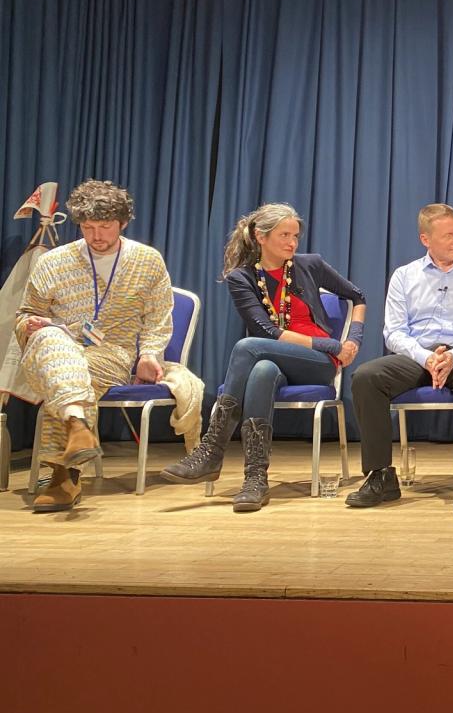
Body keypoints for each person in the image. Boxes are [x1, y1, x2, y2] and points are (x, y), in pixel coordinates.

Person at [162, 203, 366, 513]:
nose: (292, 243)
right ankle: (255, 478)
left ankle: (212, 450)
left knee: (247, 347)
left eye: (295, 236)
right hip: (279, 354)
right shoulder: (241, 278)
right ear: (261, 236)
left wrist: (351, 341)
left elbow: (357, 297)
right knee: (262, 370)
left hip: (317, 362)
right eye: (284, 235)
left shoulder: (310, 264)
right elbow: (268, 332)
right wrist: (332, 344)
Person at [14, 180, 173, 512]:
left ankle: (65, 468)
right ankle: (73, 442)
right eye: (88, 227)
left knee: (71, 370)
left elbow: (158, 317)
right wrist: (29, 325)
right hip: (52, 347)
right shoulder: (54, 261)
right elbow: (27, 313)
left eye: (105, 227)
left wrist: (148, 354)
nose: (96, 235)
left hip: (111, 353)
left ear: (123, 223)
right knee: (53, 342)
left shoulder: (147, 260)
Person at [346, 203, 453, 523]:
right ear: (425, 239)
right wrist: (426, 357)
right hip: (415, 356)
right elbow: (393, 332)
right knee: (366, 376)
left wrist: (452, 356)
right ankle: (380, 475)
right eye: (448, 235)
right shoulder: (404, 276)